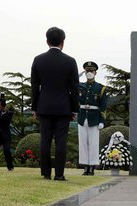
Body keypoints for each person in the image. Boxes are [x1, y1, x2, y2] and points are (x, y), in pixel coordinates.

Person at [31, 26, 79, 181]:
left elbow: (34, 87)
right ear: (63, 42)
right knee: (61, 141)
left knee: (45, 140)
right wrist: (74, 109)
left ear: (47, 41)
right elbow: (74, 88)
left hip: (44, 107)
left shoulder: (38, 60)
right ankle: (59, 174)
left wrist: (34, 108)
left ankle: (46, 173)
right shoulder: (70, 61)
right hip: (64, 107)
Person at [78, 61, 107, 176]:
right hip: (82, 117)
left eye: (91, 71)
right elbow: (70, 85)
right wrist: (76, 78)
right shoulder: (80, 86)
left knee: (94, 143)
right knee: (83, 143)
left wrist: (102, 121)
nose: (89, 73)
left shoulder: (101, 88)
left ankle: (92, 166)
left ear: (95, 72)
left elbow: (103, 106)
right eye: (87, 71)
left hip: (94, 118)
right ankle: (85, 165)